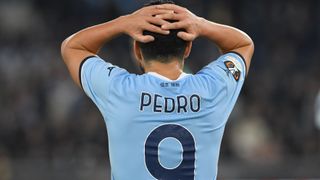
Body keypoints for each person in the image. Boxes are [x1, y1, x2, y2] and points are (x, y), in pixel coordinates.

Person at [61, 0, 254, 179]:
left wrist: (123, 23)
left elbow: (73, 48)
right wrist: (201, 24)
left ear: (137, 50)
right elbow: (242, 45)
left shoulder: (120, 91)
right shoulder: (212, 89)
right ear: (188, 48)